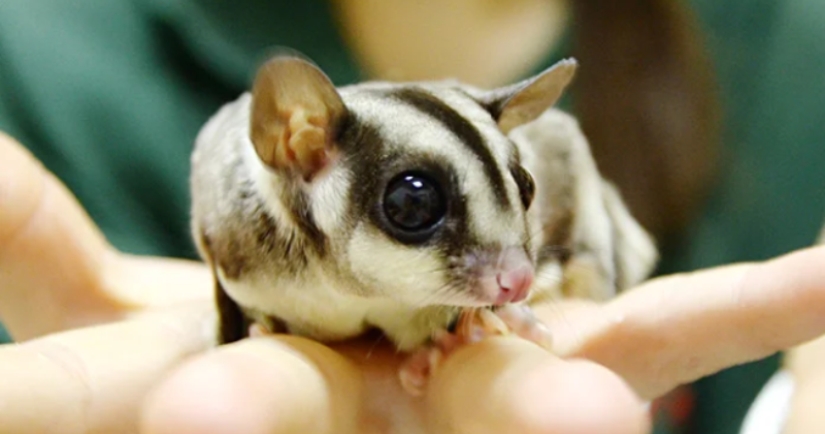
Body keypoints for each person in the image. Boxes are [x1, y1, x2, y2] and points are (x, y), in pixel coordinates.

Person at [1, 1, 824, 433]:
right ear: (297, 142)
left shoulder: (788, 48)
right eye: (414, 208)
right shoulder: (51, 58)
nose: (512, 279)